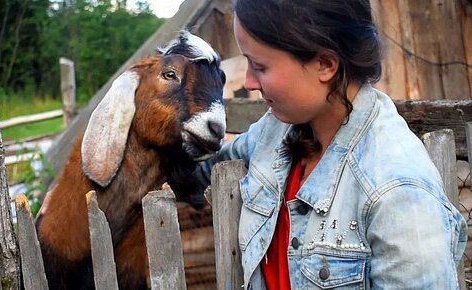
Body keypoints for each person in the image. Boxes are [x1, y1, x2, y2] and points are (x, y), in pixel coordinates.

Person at [191, 0, 468, 289]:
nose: (248, 81)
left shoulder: (397, 192)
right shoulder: (274, 131)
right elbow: (200, 171)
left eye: (260, 66)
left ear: (325, 64)